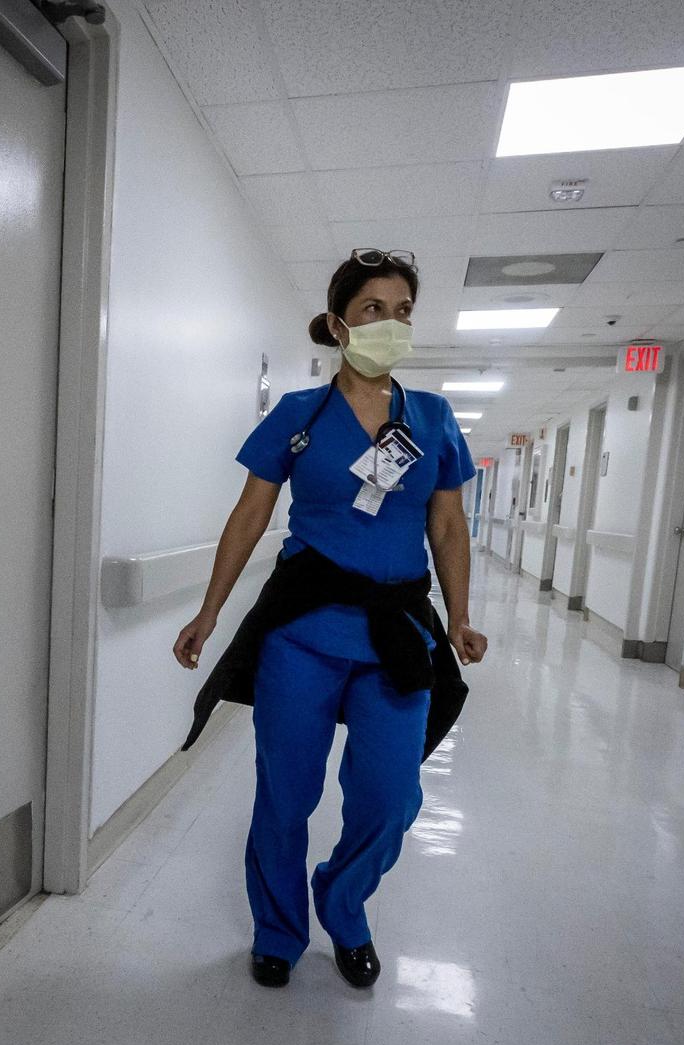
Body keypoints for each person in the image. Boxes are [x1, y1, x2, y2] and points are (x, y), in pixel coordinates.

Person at [173, 248, 487, 990]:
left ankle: (343, 905)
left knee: (389, 798)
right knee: (286, 792)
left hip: (396, 632)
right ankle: (278, 930)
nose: (392, 323)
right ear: (339, 321)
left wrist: (462, 614)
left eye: (404, 310)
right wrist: (209, 610)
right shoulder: (298, 415)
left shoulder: (432, 419)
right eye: (375, 309)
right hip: (304, 631)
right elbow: (252, 514)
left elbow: (448, 526)